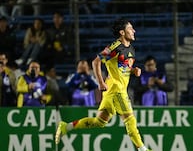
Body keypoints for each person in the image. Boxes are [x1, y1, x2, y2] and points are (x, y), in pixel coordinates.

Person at [55, 18, 152, 151]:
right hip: (116, 89)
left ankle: (66, 127)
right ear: (122, 32)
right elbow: (96, 62)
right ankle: (142, 149)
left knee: (99, 122)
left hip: (113, 91)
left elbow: (122, 67)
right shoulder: (114, 47)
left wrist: (133, 70)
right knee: (130, 119)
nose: (134, 30)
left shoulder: (131, 49)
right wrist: (100, 82)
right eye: (130, 28)